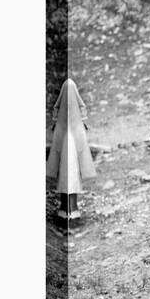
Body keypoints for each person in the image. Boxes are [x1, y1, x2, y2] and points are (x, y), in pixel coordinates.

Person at [46, 78, 96, 220]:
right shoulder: (63, 123)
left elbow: (81, 107)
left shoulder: (76, 123)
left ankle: (73, 209)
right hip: (66, 151)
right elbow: (57, 109)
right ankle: (64, 209)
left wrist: (83, 121)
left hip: (72, 151)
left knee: (72, 180)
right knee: (64, 181)